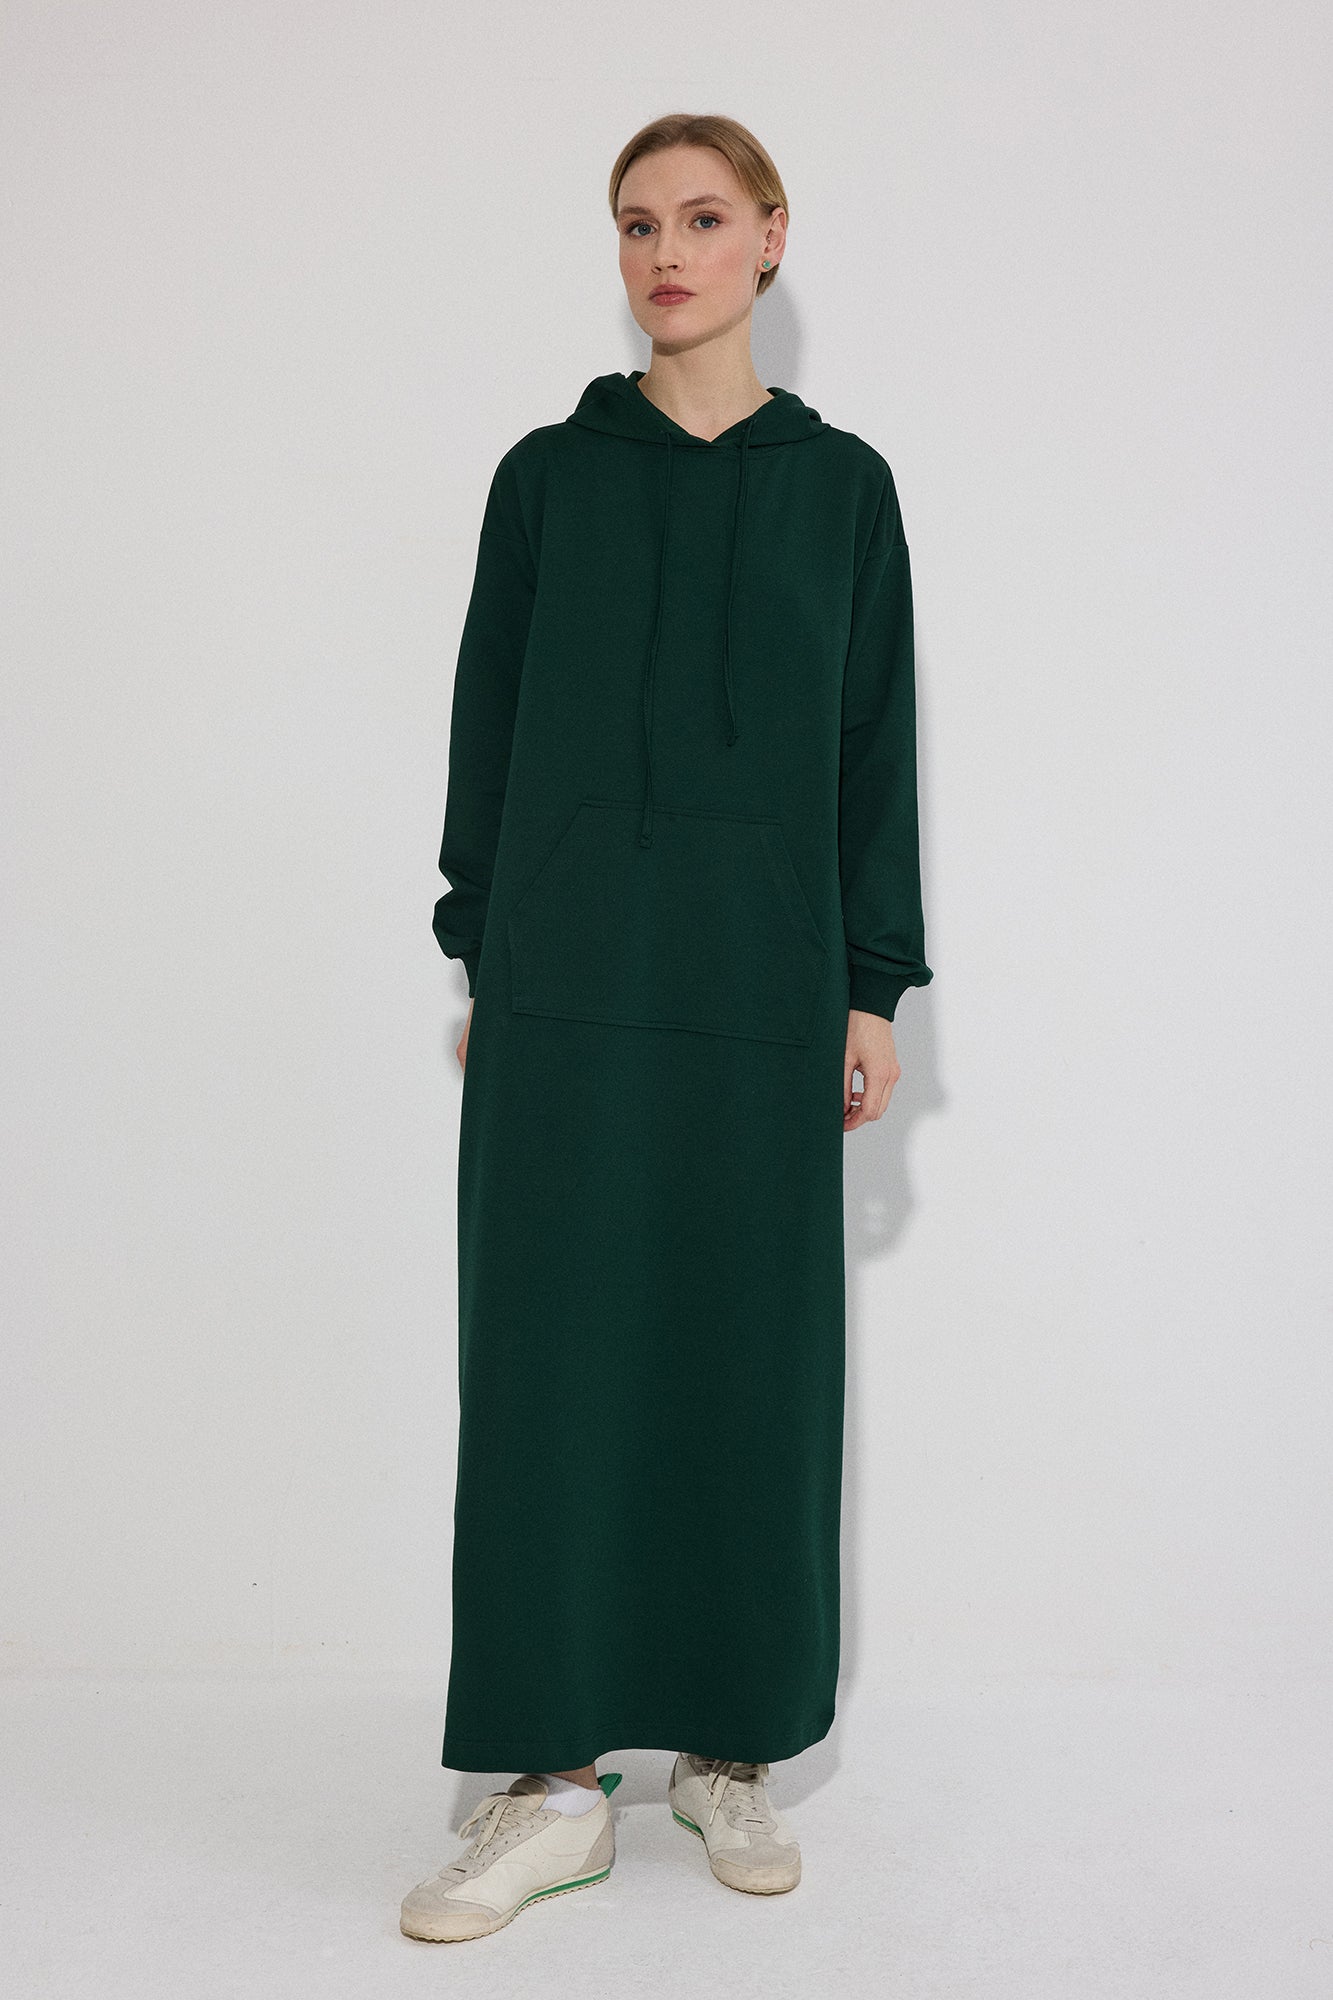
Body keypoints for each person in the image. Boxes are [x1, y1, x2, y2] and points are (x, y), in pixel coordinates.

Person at [401, 110, 933, 1944]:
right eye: (636, 224)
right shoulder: (547, 480)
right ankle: (549, 1785)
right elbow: (484, 727)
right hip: (568, 988)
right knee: (545, 1364)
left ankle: (729, 1744)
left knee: (747, 1356)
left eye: (702, 219)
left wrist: (869, 983)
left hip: (763, 990)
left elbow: (873, 743)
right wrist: (488, 954)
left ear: (771, 237)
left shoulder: (841, 489)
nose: (665, 255)